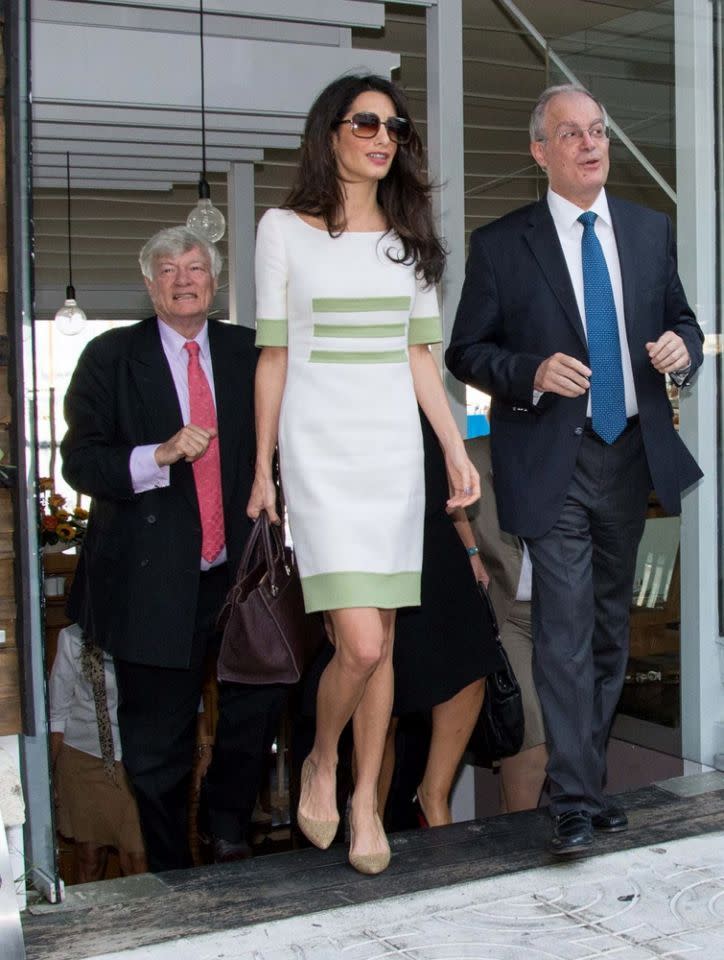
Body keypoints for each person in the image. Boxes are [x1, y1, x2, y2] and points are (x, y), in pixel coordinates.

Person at [446, 83, 704, 856]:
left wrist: (680, 350)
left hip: (628, 455)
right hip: (550, 460)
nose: (591, 145)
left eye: (598, 132)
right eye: (571, 134)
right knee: (561, 625)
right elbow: (466, 351)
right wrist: (529, 370)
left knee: (605, 634)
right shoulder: (502, 245)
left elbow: (682, 320)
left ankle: (583, 787)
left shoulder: (650, 229)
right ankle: (573, 799)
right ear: (540, 151)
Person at [248, 73, 479, 874]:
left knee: (380, 643)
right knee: (359, 641)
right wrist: (261, 468)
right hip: (317, 454)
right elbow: (273, 355)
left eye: (396, 129)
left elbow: (421, 359)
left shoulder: (408, 241)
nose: (384, 139)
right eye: (367, 123)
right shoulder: (282, 228)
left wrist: (452, 446)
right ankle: (320, 757)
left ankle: (365, 800)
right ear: (332, 132)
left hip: (390, 457)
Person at [62, 226, 287, 872]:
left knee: (259, 705)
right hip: (151, 580)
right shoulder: (111, 357)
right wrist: (155, 456)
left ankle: (227, 826)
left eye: (195, 267)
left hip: (242, 571)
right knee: (156, 745)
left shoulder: (253, 353)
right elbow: (80, 461)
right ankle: (171, 870)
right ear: (149, 282)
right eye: (167, 268)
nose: (183, 279)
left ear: (214, 282)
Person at [383, 411, 503, 828]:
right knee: (382, 686)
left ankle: (434, 795)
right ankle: (367, 813)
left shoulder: (419, 392)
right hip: (368, 538)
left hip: (434, 532)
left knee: (472, 663)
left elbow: (448, 475)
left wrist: (471, 551)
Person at [464, 435, 548, 813]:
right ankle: (521, 853)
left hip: (563, 616)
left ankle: (511, 842)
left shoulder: (570, 454)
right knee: (531, 742)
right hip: (508, 614)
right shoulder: (470, 457)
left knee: (566, 736)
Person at [49, 624, 147, 883]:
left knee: (137, 859)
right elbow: (57, 716)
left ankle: (143, 923)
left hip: (135, 760)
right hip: (83, 757)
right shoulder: (71, 637)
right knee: (90, 859)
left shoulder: (146, 630)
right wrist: (48, 776)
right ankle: (90, 922)